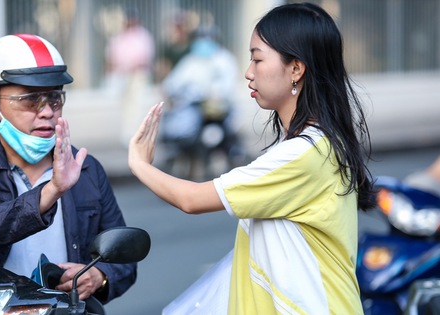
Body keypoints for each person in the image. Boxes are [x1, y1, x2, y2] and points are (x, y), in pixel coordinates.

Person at [129, 3, 375, 314]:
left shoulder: (304, 154)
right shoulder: (318, 144)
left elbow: (191, 199)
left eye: (258, 59)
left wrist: (139, 163)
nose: (248, 72)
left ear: (296, 69)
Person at [0, 34, 136, 305]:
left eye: (54, 99)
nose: (46, 112)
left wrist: (100, 275)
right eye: (31, 100)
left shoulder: (85, 168)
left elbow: (124, 259)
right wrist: (53, 190)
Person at [159, 25, 242, 180]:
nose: (203, 43)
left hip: (218, 110)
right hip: (193, 108)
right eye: (200, 39)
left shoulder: (223, 60)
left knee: (228, 133)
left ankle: (233, 153)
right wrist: (169, 94)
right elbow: (173, 83)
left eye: (206, 39)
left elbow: (228, 85)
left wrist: (215, 95)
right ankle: (177, 153)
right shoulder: (191, 60)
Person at [104, 7, 155, 146]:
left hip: (138, 76)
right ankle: (128, 134)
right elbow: (111, 56)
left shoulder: (143, 36)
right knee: (126, 106)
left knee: (137, 104)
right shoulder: (119, 37)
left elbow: (147, 57)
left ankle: (138, 132)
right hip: (123, 76)